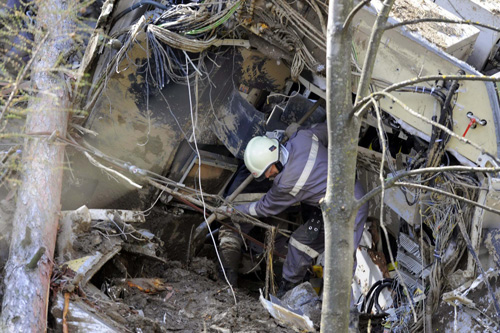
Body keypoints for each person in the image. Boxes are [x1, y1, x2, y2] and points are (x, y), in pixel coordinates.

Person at [219, 122, 368, 296]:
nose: (268, 176)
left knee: (339, 264)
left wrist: (233, 211)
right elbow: (329, 130)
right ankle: (288, 291)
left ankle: (341, 317)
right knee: (299, 243)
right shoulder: (303, 138)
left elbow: (263, 208)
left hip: (350, 207)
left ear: (274, 155)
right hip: (329, 205)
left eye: (268, 170)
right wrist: (297, 131)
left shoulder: (287, 183)